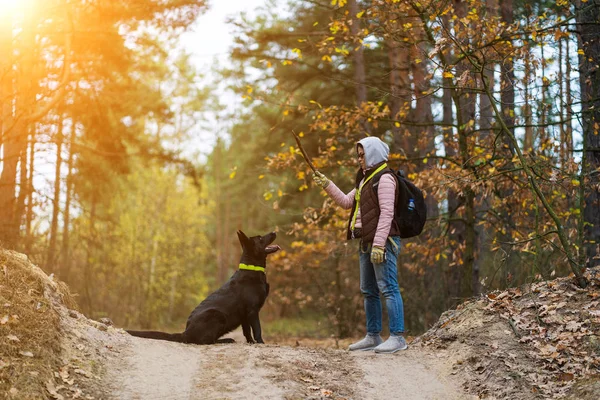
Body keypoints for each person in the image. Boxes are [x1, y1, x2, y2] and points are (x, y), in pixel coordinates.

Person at [312, 136, 407, 353]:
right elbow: (347, 202)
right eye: (358, 155)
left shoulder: (384, 179)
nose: (359, 159)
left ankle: (398, 337)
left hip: (382, 242)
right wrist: (327, 184)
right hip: (365, 241)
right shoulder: (365, 180)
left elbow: (387, 214)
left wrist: (379, 245)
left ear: (373, 153)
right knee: (368, 290)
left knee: (389, 288)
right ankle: (373, 336)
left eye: (363, 155)